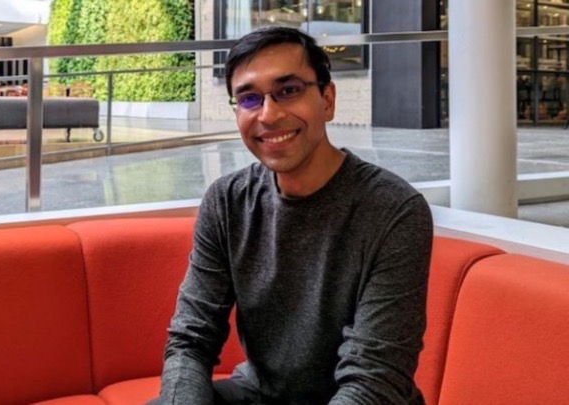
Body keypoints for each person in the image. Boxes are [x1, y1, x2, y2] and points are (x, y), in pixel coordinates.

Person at [152, 26, 433, 405]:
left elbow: (374, 380)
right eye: (249, 99)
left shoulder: (394, 210)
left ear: (327, 99)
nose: (268, 114)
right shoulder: (227, 201)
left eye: (289, 91)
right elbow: (190, 339)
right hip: (259, 394)